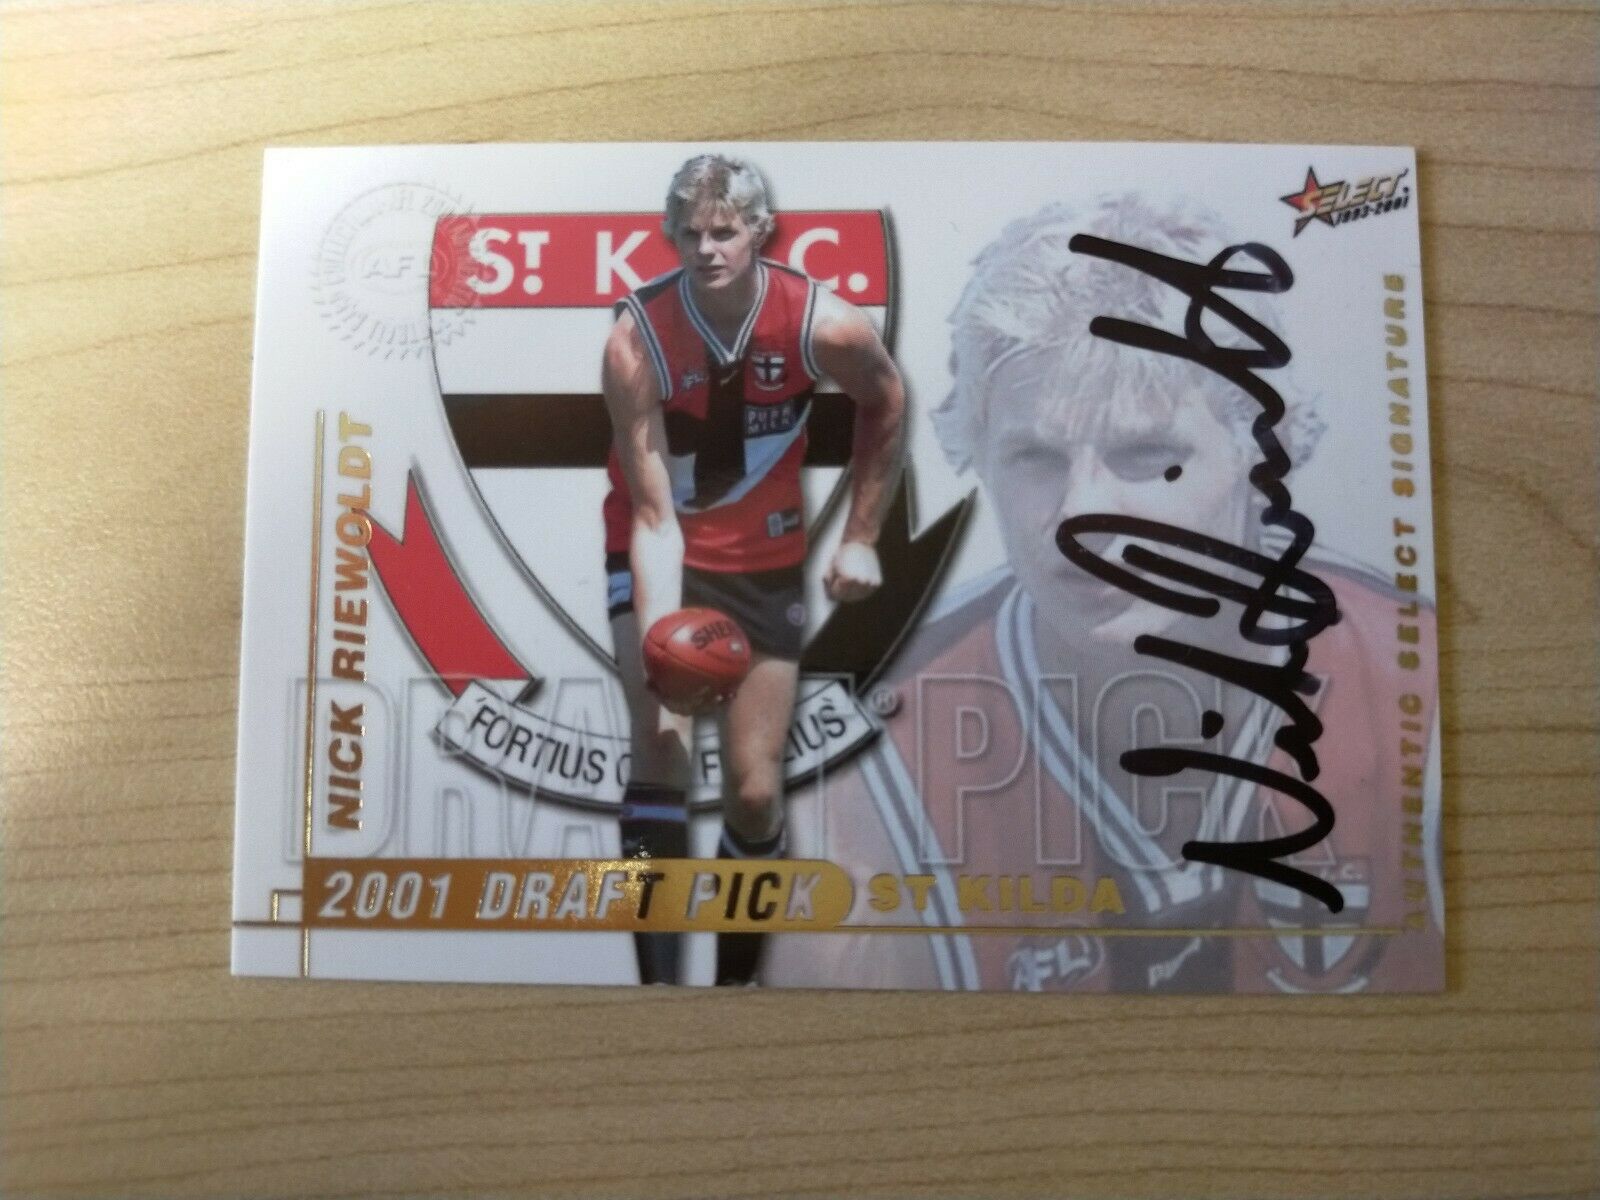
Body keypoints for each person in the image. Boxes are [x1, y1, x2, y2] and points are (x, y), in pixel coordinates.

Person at [763, 194, 1443, 992]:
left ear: (1266, 458)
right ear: (979, 456)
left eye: (1146, 454)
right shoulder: (873, 749)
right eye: (1035, 459)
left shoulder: (1422, 685)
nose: (1081, 513)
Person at [601, 154, 906, 985]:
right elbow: (653, 517)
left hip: (763, 557)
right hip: (658, 545)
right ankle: (655, 988)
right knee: (660, 745)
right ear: (670, 236)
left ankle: (735, 984)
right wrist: (664, 641)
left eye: (725, 231)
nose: (707, 249)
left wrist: (861, 535)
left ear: (760, 231)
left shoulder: (823, 324)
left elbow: (884, 398)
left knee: (757, 793)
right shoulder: (634, 340)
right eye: (691, 234)